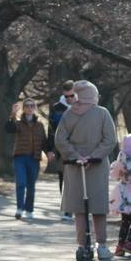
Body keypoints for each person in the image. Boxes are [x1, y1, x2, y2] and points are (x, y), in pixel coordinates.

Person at [53, 80, 117, 261]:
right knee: (98, 207)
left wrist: (75, 155)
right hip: (96, 165)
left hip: (74, 166)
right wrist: (93, 156)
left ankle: (82, 245)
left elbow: (60, 140)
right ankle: (102, 245)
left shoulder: (69, 114)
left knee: (79, 209)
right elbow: (110, 139)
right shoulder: (102, 113)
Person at [5, 98, 47, 220]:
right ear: (23, 108)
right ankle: (19, 209)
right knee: (21, 183)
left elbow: (43, 142)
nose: (29, 108)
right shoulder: (18, 123)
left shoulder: (39, 125)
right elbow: (9, 128)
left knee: (31, 186)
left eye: (32, 105)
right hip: (20, 158)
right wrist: (12, 114)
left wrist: (49, 152)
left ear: (34, 108)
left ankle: (29, 210)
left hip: (34, 158)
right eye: (27, 105)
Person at [46, 83, 77, 219]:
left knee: (78, 179)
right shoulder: (56, 108)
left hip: (80, 147)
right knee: (64, 178)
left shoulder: (81, 106)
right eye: (67, 96)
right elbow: (51, 130)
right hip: (62, 149)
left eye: (72, 95)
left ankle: (78, 207)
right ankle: (67, 209)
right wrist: (51, 150)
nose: (69, 98)